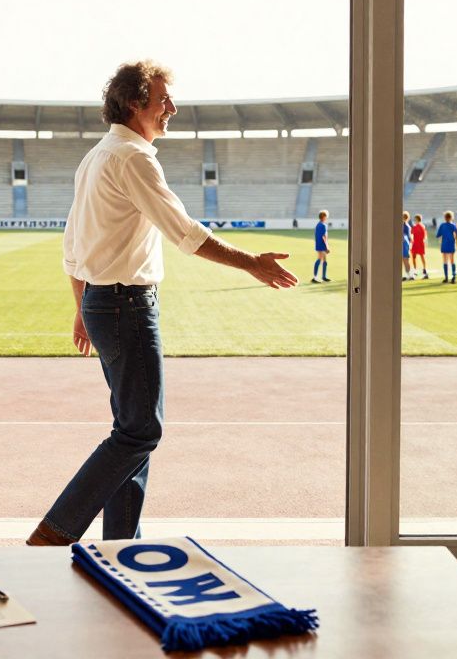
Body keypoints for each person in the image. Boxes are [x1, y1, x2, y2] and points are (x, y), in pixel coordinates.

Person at [27, 61, 298, 547]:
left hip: (103, 303)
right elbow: (186, 234)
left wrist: (81, 307)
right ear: (136, 103)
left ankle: (119, 551)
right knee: (139, 433)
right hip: (125, 306)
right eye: (163, 99)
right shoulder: (133, 158)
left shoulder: (96, 156)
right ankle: (55, 532)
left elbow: (73, 245)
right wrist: (252, 263)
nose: (172, 107)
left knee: (130, 431)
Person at [436, 210, 457, 284]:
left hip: (444, 244)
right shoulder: (453, 225)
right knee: (452, 260)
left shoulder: (442, 225)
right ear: (452, 217)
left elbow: (438, 235)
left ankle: (446, 278)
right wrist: (455, 239)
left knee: (445, 261)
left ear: (445, 218)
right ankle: (453, 277)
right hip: (451, 244)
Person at [313, 210, 331, 283]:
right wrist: (327, 246)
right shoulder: (323, 225)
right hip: (322, 244)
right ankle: (315, 277)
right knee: (320, 259)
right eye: (326, 216)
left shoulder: (318, 225)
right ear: (324, 217)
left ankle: (323, 276)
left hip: (318, 243)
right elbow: (324, 236)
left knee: (324, 260)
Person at [410, 214, 428, 279]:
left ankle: (415, 271)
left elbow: (411, 235)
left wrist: (411, 242)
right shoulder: (423, 226)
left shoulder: (415, 227)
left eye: (415, 219)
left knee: (414, 257)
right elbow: (425, 236)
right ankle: (424, 269)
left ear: (417, 219)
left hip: (416, 243)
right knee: (421, 256)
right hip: (420, 243)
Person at [400, 211, 413, 281]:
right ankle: (408, 274)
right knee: (405, 260)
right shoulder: (407, 226)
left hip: (404, 244)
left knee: (405, 259)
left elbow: (406, 236)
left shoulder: (404, 226)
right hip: (406, 244)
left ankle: (409, 274)